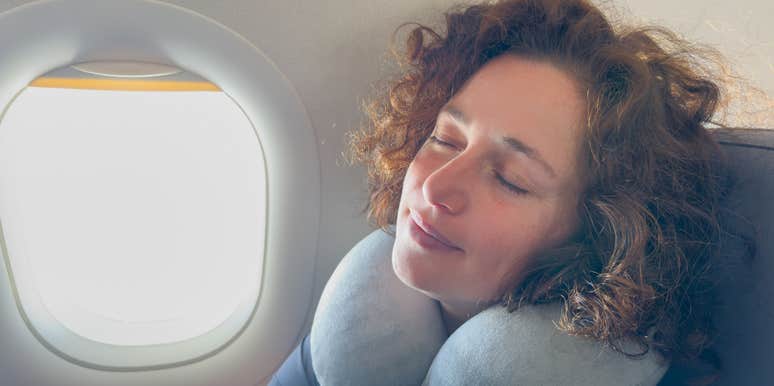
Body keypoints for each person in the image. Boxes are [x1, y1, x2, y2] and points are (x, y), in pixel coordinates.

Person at [270, 0, 743, 384]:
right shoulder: (361, 337)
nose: (436, 185)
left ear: (602, 234)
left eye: (510, 179)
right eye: (445, 139)